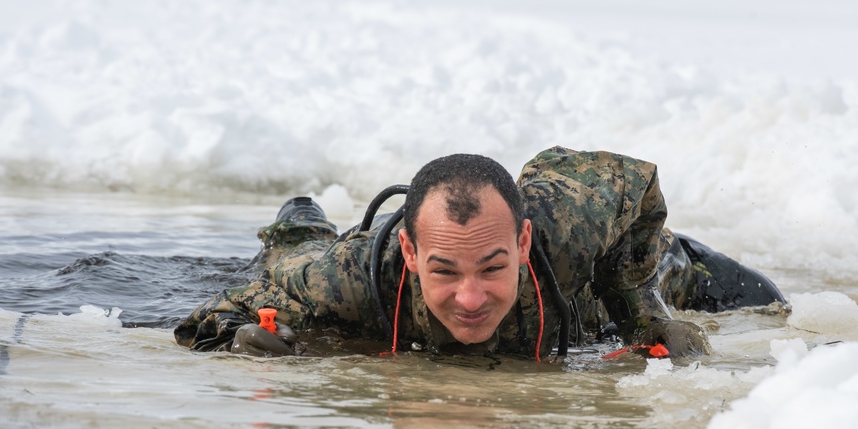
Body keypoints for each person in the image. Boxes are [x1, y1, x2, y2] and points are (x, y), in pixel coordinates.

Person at [174, 146, 786, 360]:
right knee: (294, 257)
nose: (470, 298)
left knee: (772, 306)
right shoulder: (354, 279)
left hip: (639, 274)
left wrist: (646, 311)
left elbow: (635, 182)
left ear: (521, 244)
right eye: (445, 271)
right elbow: (221, 310)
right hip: (342, 256)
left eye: (492, 267)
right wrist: (241, 340)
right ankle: (299, 221)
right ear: (412, 254)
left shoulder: (565, 223)